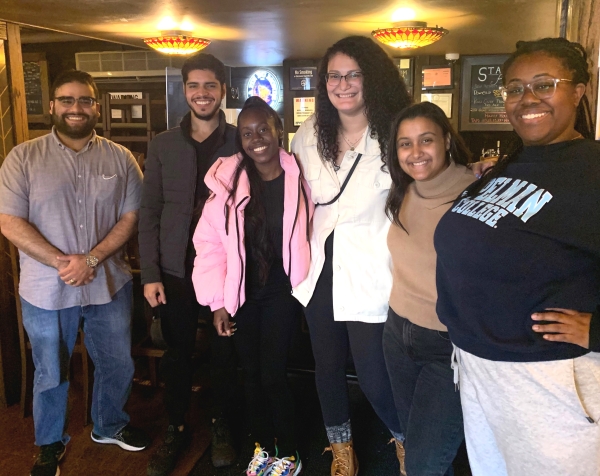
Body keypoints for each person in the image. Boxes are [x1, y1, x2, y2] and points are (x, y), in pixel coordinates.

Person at [434, 37, 600, 476]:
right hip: (477, 368)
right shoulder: (510, 164)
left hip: (548, 381)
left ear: (579, 91)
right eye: (514, 88)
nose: (527, 99)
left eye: (544, 85)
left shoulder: (594, 170)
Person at [0, 70, 149, 476]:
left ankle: (109, 425)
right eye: (67, 100)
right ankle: (49, 443)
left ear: (96, 107)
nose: (76, 108)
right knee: (50, 369)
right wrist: (62, 262)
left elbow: (132, 216)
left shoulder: (120, 158)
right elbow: (9, 221)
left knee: (118, 361)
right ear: (52, 106)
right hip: (46, 288)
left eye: (84, 100)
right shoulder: (22, 158)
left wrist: (92, 260)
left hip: (109, 282)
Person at [291, 35, 411, 476]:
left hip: (371, 270)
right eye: (334, 76)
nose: (342, 84)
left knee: (374, 372)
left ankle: (404, 440)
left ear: (371, 78)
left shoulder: (397, 131)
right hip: (319, 268)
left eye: (353, 74)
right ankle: (341, 449)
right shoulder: (309, 134)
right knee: (326, 366)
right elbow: (293, 196)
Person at [192, 96, 313, 476]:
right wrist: (217, 302)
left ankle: (288, 450)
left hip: (282, 295)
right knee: (251, 374)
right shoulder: (228, 185)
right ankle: (264, 444)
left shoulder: (302, 178)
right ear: (239, 139)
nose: (256, 138)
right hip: (242, 296)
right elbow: (209, 246)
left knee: (273, 374)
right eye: (247, 133)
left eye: (263, 129)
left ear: (279, 129)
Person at [138, 53, 238, 476]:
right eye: (194, 86)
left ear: (222, 91)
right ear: (185, 90)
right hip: (176, 270)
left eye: (210, 86)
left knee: (224, 350)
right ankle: (176, 427)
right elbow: (150, 211)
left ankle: (222, 424)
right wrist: (150, 275)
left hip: (227, 269)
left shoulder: (240, 141)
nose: (202, 93)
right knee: (178, 354)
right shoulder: (162, 144)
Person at [382, 102, 475, 476]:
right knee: (420, 446)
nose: (415, 152)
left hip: (447, 347)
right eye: (405, 144)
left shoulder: (477, 194)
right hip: (396, 335)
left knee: (423, 463)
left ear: (447, 141)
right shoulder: (404, 189)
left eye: (426, 140)